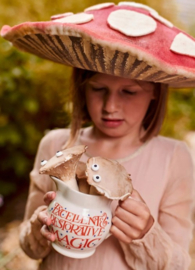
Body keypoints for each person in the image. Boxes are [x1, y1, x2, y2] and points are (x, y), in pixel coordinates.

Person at [1, 2, 195, 270]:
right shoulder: (56, 145)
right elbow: (30, 248)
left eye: (129, 92)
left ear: (155, 92)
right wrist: (38, 227)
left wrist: (147, 234)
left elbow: (180, 264)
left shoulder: (174, 157)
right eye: (98, 88)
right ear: (81, 87)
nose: (110, 106)